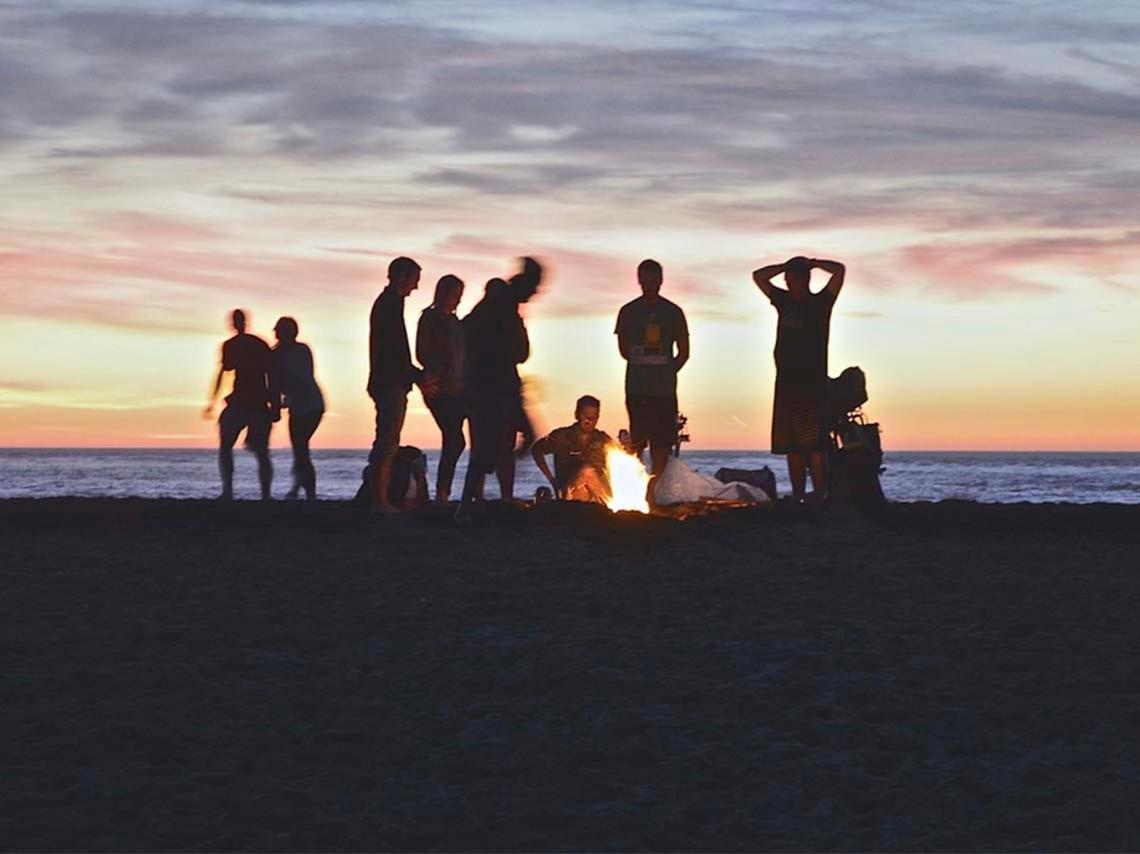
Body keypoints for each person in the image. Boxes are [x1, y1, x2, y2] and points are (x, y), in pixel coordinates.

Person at [455, 257, 544, 522]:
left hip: (494, 384)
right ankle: (467, 506)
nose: (536, 293)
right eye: (535, 286)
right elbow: (519, 351)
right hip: (492, 386)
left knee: (510, 441)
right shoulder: (502, 305)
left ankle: (475, 501)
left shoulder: (501, 304)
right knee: (491, 447)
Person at [752, 256, 846, 503]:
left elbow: (839, 271)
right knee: (791, 446)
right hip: (786, 383)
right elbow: (759, 276)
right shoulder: (783, 301)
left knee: (815, 446)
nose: (789, 283)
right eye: (788, 279)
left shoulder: (821, 303)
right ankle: (797, 494)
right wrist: (785, 266)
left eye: (794, 278)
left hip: (812, 384)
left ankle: (819, 494)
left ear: (805, 279)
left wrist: (813, 262)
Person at [367, 256, 436, 515]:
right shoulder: (388, 306)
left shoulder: (390, 305)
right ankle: (379, 502)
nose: (416, 287)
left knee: (388, 440)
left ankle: (380, 500)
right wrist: (417, 376)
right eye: (414, 281)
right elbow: (394, 352)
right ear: (401, 277)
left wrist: (414, 377)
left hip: (390, 381)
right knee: (387, 441)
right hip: (389, 383)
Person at [614, 259, 689, 476]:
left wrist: (666, 372)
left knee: (662, 442)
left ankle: (655, 487)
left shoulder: (674, 312)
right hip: (637, 388)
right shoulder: (628, 311)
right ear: (639, 279)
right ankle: (637, 485)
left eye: (653, 278)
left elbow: (684, 353)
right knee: (637, 440)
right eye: (645, 278)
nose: (649, 283)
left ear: (661, 280)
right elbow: (624, 350)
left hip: (664, 391)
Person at [203, 308, 276, 500]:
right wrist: (212, 400)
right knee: (230, 447)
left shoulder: (254, 344)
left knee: (258, 451)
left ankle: (262, 494)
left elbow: (271, 374)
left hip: (256, 402)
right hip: (243, 401)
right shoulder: (234, 345)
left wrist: (274, 403)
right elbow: (223, 372)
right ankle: (230, 490)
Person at [415, 274, 467, 503]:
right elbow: (422, 352)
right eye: (454, 295)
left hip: (458, 388)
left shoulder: (456, 323)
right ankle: (442, 492)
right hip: (438, 387)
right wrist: (439, 371)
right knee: (455, 439)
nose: (456, 300)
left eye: (459, 296)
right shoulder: (430, 318)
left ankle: (444, 492)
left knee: (454, 439)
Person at [271, 316, 325, 500]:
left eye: (278, 329)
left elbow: (297, 380)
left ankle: (309, 493)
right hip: (300, 405)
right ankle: (298, 488)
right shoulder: (278, 354)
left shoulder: (299, 351)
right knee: (300, 449)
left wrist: (278, 406)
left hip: (310, 405)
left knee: (301, 448)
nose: (275, 333)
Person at [531, 395, 613, 504]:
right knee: (587, 471)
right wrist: (552, 480)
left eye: (594, 417)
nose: (590, 420)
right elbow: (536, 449)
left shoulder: (602, 439)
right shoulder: (562, 436)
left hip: (597, 494)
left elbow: (622, 457)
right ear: (577, 415)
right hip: (571, 493)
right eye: (586, 416)